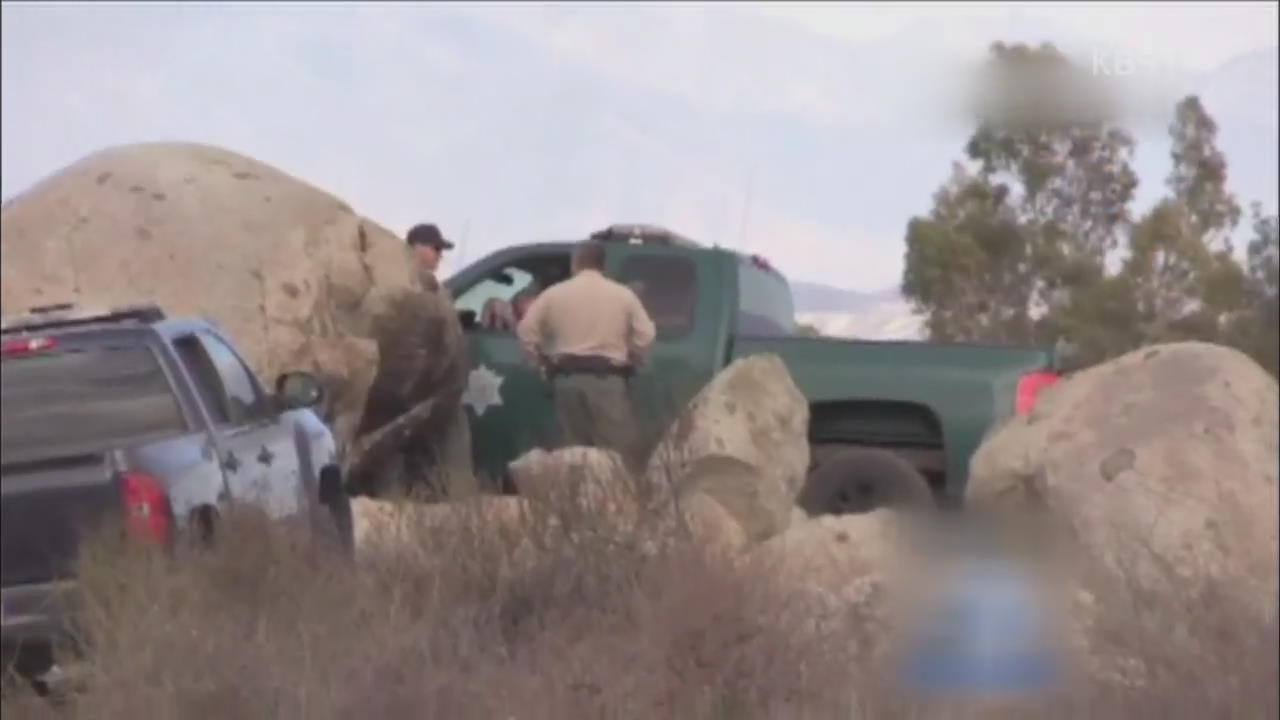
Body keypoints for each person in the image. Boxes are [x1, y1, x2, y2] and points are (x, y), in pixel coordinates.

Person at [516, 241, 656, 466]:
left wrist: (538, 362)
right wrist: (635, 357)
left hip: (566, 380)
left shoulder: (554, 294)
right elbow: (646, 335)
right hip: (608, 380)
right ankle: (614, 498)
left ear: (576, 263)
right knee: (617, 453)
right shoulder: (623, 295)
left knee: (573, 454)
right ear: (602, 265)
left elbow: (526, 330)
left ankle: (575, 498)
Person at [403, 221, 474, 499]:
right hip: (422, 382)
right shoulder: (409, 283)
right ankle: (460, 501)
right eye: (435, 248)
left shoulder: (432, 286)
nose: (439, 255)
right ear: (416, 248)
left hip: (433, 382)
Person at [405, 223, 455, 292]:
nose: (440, 256)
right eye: (437, 249)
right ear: (417, 246)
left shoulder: (425, 286)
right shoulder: (398, 279)